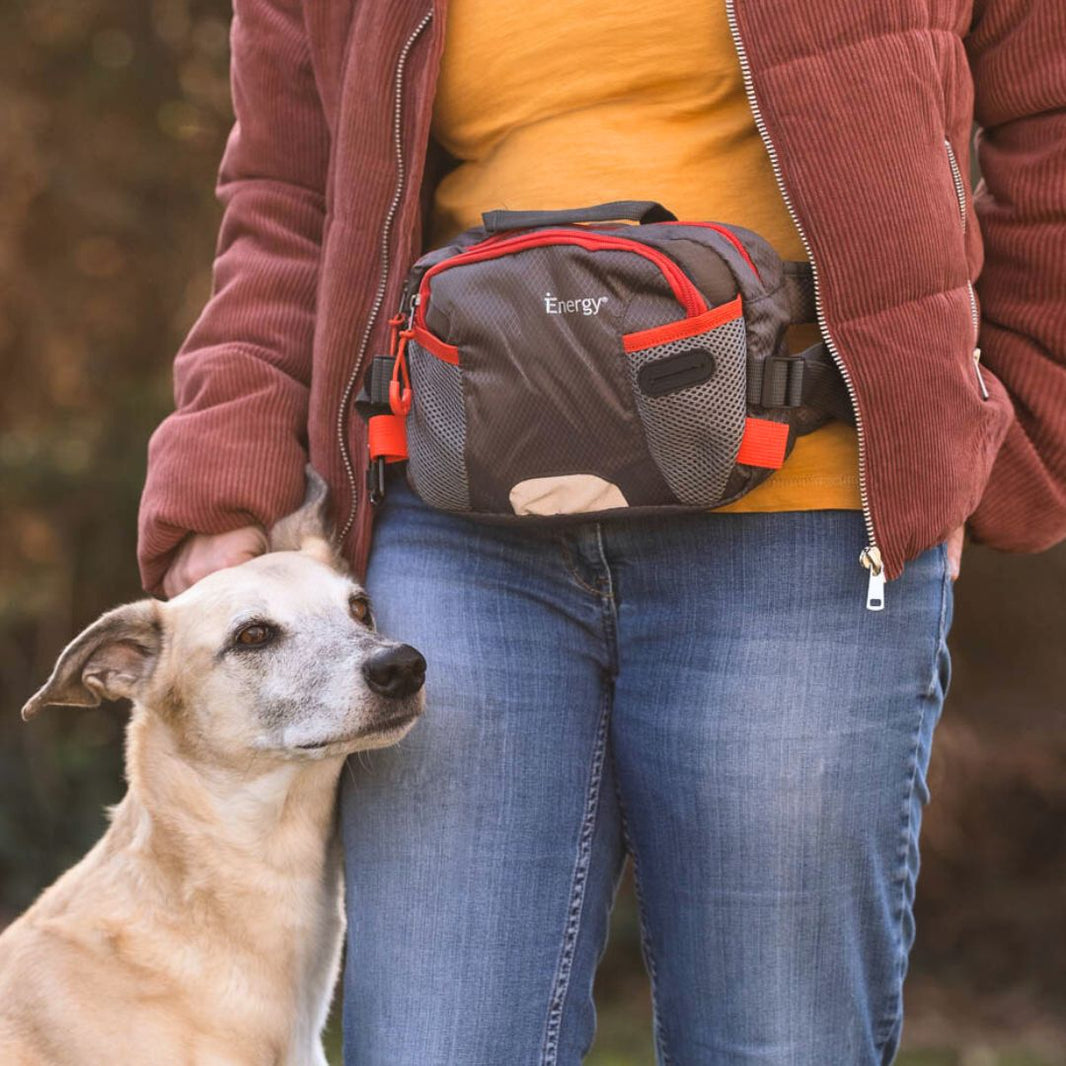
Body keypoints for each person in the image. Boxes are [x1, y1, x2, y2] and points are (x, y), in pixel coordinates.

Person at [138, 1, 1066, 1063]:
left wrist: (1008, 414)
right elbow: (287, 197)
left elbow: (1049, 113)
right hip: (458, 527)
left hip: (808, 519)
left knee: (779, 1043)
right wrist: (224, 457)